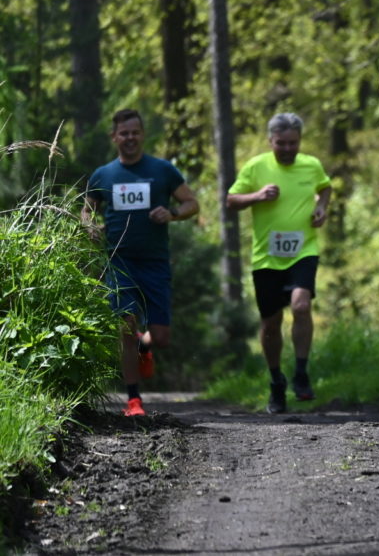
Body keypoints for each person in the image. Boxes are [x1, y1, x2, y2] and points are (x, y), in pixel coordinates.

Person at [81, 108, 200, 417]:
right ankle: (133, 400)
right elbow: (86, 210)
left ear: (142, 135)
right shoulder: (103, 175)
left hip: (155, 262)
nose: (130, 138)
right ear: (114, 137)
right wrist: (91, 226)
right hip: (119, 261)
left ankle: (144, 346)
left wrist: (171, 213)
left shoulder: (162, 170)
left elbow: (191, 203)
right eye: (124, 133)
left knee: (160, 337)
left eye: (135, 132)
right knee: (125, 325)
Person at [227, 112, 332, 414]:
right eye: (281, 143)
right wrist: (258, 195)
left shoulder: (311, 165)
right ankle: (276, 381)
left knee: (301, 306)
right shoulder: (256, 166)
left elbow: (325, 188)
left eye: (293, 143)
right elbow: (231, 201)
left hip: (303, 250)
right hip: (266, 258)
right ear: (270, 141)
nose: (287, 149)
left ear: (299, 141)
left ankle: (301, 372)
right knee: (271, 323)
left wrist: (321, 208)